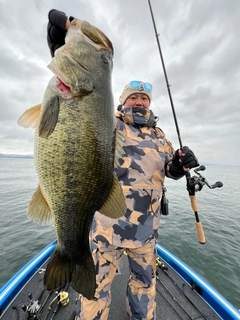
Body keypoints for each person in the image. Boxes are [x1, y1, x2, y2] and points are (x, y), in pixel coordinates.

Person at [47, 9, 199, 320]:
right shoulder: (109, 123)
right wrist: (62, 58)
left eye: (144, 98)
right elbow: (80, 119)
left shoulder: (160, 136)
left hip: (146, 233)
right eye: (134, 97)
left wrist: (181, 165)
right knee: (95, 288)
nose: (140, 101)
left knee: (144, 286)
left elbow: (169, 169)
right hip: (105, 232)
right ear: (122, 100)